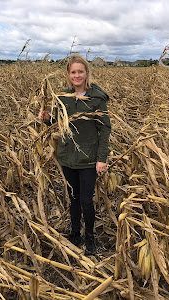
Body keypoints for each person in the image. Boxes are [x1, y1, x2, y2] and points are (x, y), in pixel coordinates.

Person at [38, 54, 111, 255]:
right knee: (73, 198)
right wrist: (46, 118)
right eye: (73, 72)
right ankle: (74, 233)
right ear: (68, 75)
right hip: (67, 157)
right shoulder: (63, 98)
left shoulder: (97, 99)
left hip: (88, 159)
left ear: (87, 73)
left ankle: (89, 237)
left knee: (87, 200)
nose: (77, 75)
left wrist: (101, 158)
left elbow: (104, 130)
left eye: (80, 71)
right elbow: (58, 122)